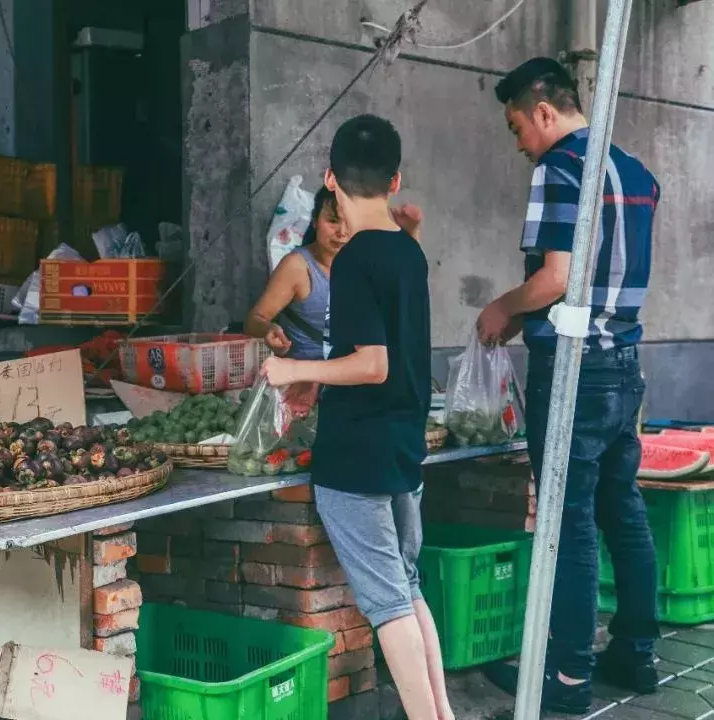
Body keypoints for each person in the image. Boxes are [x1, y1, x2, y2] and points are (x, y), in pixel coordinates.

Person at [478, 58, 661, 714]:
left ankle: (568, 679)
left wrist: (504, 306)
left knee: (572, 518)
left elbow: (555, 277)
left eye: (516, 126)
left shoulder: (557, 169)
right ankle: (637, 653)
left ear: (544, 112)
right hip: (625, 364)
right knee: (623, 507)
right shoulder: (637, 174)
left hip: (576, 369)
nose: (519, 140)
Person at [260, 115, 452, 720]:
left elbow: (370, 363)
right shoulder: (407, 253)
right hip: (401, 448)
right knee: (408, 586)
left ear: (330, 179)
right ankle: (442, 713)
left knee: (389, 603)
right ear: (395, 180)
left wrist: (295, 373)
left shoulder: (354, 261)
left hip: (358, 458)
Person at [246, 187, 346, 360]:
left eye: (350, 223)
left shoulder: (367, 265)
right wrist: (269, 329)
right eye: (333, 221)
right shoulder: (298, 267)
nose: (342, 232)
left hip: (353, 376)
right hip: (307, 379)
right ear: (315, 221)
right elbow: (254, 320)